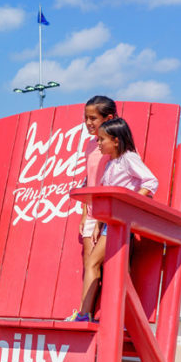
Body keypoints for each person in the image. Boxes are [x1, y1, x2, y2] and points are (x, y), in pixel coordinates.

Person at [66, 117, 157, 322]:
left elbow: (151, 181)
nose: (98, 144)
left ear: (116, 140)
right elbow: (106, 197)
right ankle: (121, 318)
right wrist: (98, 223)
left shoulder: (128, 158)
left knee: (93, 263)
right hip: (110, 223)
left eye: (102, 140)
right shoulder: (111, 164)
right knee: (118, 269)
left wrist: (131, 203)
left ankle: (85, 315)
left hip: (121, 222)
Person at [71, 96, 117, 320]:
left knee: (109, 266)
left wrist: (102, 218)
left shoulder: (114, 146)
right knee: (89, 263)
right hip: (91, 212)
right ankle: (84, 314)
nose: (88, 123)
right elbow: (89, 181)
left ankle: (111, 316)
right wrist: (83, 213)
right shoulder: (91, 144)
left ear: (108, 118)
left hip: (109, 214)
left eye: (93, 118)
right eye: (85, 118)